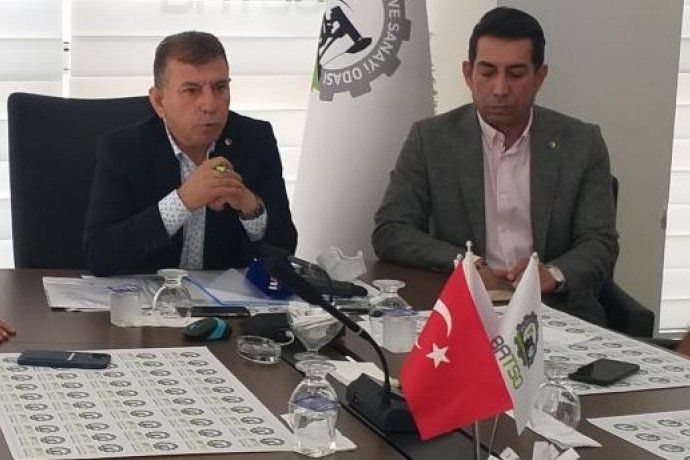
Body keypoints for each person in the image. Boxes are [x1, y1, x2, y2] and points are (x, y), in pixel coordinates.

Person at [372, 7, 618, 325]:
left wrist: (553, 274)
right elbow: (391, 230)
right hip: (463, 310)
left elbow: (600, 242)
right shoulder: (430, 139)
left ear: (539, 77)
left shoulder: (581, 143)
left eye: (515, 74)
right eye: (487, 73)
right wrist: (466, 263)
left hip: (553, 312)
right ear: (468, 74)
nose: (500, 89)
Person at [85, 31, 297, 276]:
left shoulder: (254, 140)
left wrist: (249, 205)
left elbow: (285, 249)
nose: (210, 105)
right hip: (149, 296)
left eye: (220, 87)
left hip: (225, 298)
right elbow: (99, 255)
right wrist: (182, 201)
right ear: (159, 101)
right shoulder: (123, 149)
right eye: (191, 90)